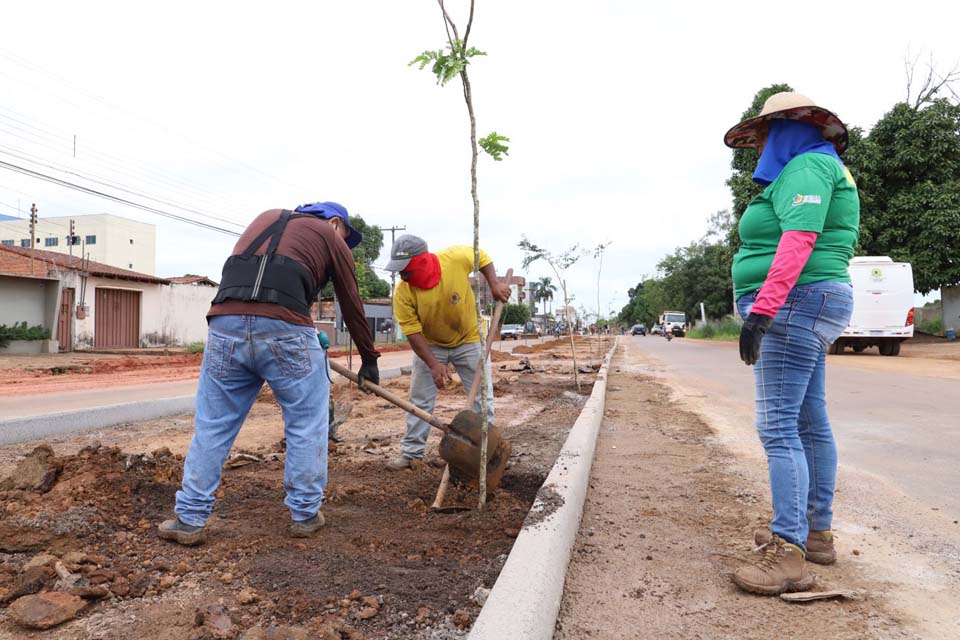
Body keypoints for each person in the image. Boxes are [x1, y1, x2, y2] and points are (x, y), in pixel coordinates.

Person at [158, 202, 380, 545]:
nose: (343, 244)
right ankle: (305, 514)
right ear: (335, 223)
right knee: (306, 423)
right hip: (285, 329)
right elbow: (350, 300)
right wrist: (369, 358)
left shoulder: (265, 218)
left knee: (213, 424)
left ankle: (188, 519)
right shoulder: (329, 235)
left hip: (224, 326)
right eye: (345, 237)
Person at [724, 92, 858, 594]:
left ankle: (788, 551)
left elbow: (798, 240)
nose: (760, 148)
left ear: (787, 129)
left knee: (778, 426)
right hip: (807, 300)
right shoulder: (817, 167)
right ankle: (814, 533)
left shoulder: (807, 168)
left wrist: (763, 310)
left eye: (763, 137)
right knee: (808, 420)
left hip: (795, 301)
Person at [383, 235, 510, 470]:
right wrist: (433, 364)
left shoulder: (455, 258)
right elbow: (413, 333)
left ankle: (486, 454)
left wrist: (494, 284)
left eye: (405, 270)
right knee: (420, 400)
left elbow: (482, 257)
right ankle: (411, 454)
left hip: (470, 340)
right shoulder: (403, 292)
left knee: (482, 399)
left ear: (422, 261)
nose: (402, 276)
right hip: (430, 345)